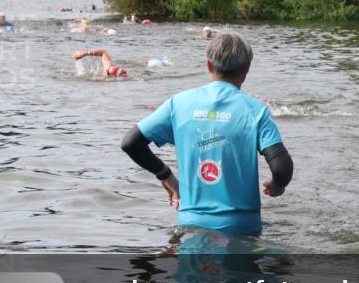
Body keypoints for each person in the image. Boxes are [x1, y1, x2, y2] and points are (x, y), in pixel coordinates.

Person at [121, 32, 293, 236]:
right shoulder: (256, 111)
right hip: (242, 227)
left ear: (209, 66)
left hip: (191, 225)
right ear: (247, 68)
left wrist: (165, 175)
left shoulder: (178, 104)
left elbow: (131, 143)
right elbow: (282, 168)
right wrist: (277, 185)